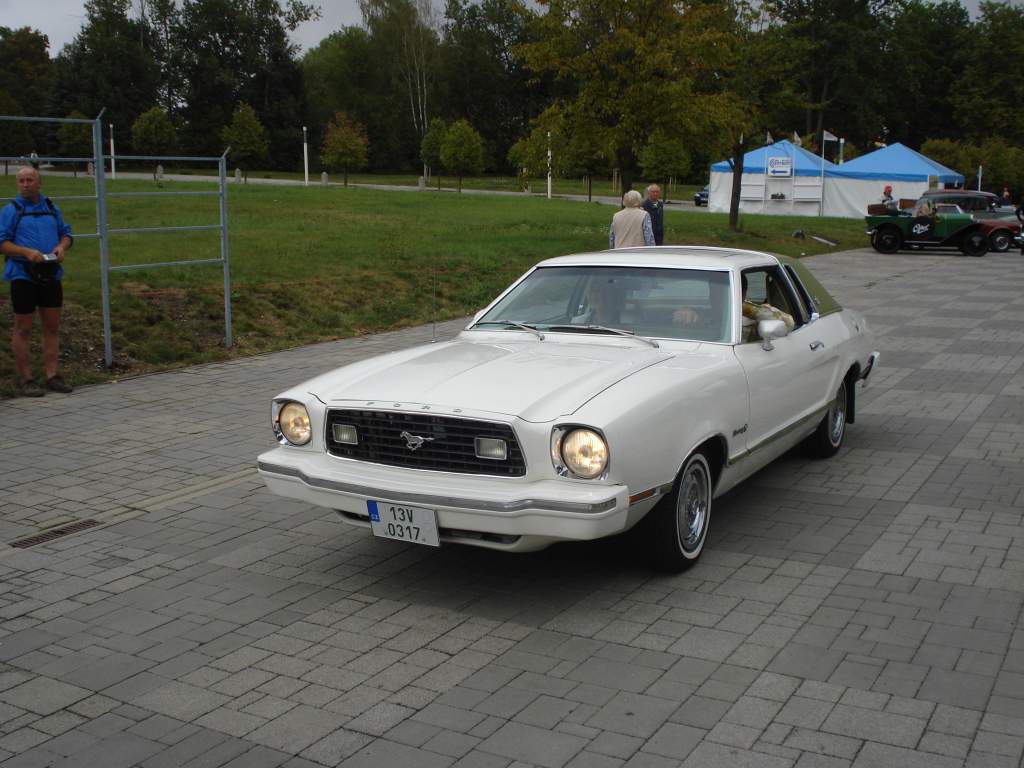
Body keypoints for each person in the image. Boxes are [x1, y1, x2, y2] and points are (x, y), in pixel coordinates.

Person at [1, 166, 73, 396]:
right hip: (23, 275)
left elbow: (67, 234)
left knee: (51, 327)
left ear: (39, 183)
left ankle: (52, 375)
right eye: (21, 181)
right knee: (23, 328)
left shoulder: (52, 208)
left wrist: (62, 247)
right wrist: (25, 252)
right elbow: (2, 242)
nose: (25, 184)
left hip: (50, 274)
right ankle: (27, 379)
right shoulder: (11, 211)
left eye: (29, 180)